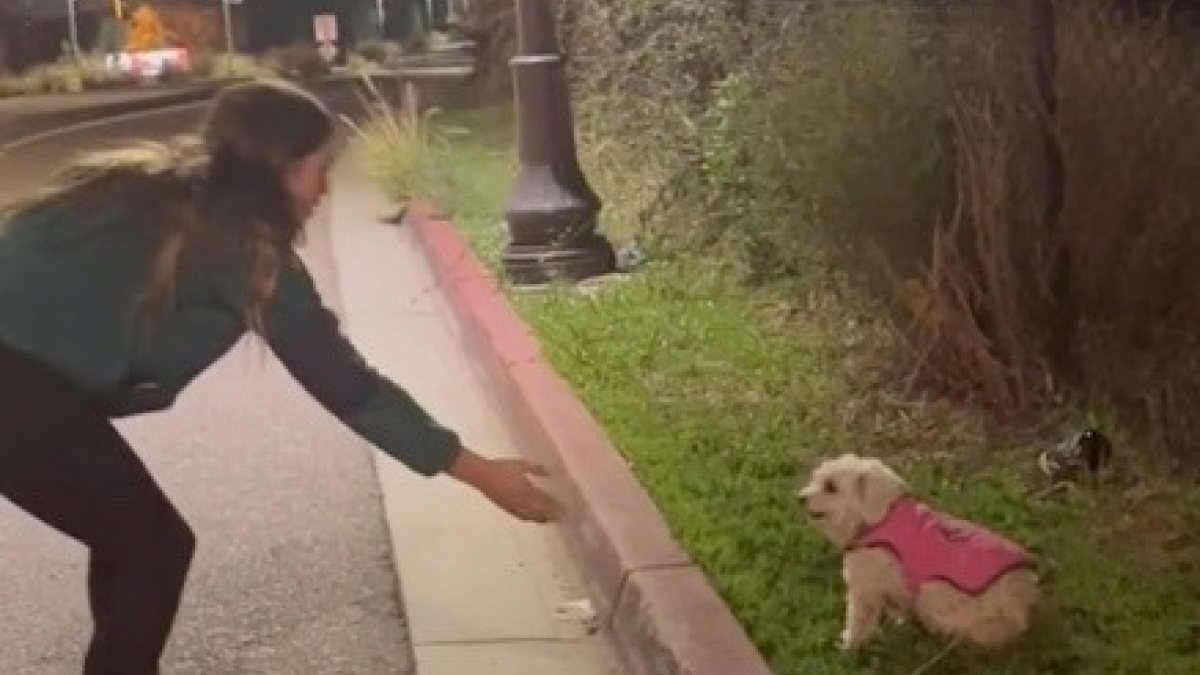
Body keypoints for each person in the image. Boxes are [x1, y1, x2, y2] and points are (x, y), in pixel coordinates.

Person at [0, 78, 562, 675]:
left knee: (132, 537)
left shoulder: (155, 187)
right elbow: (345, 384)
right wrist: (479, 473)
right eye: (320, 168)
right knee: (153, 547)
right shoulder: (242, 251)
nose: (325, 187)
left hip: (29, 387)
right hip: (18, 388)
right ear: (285, 170)